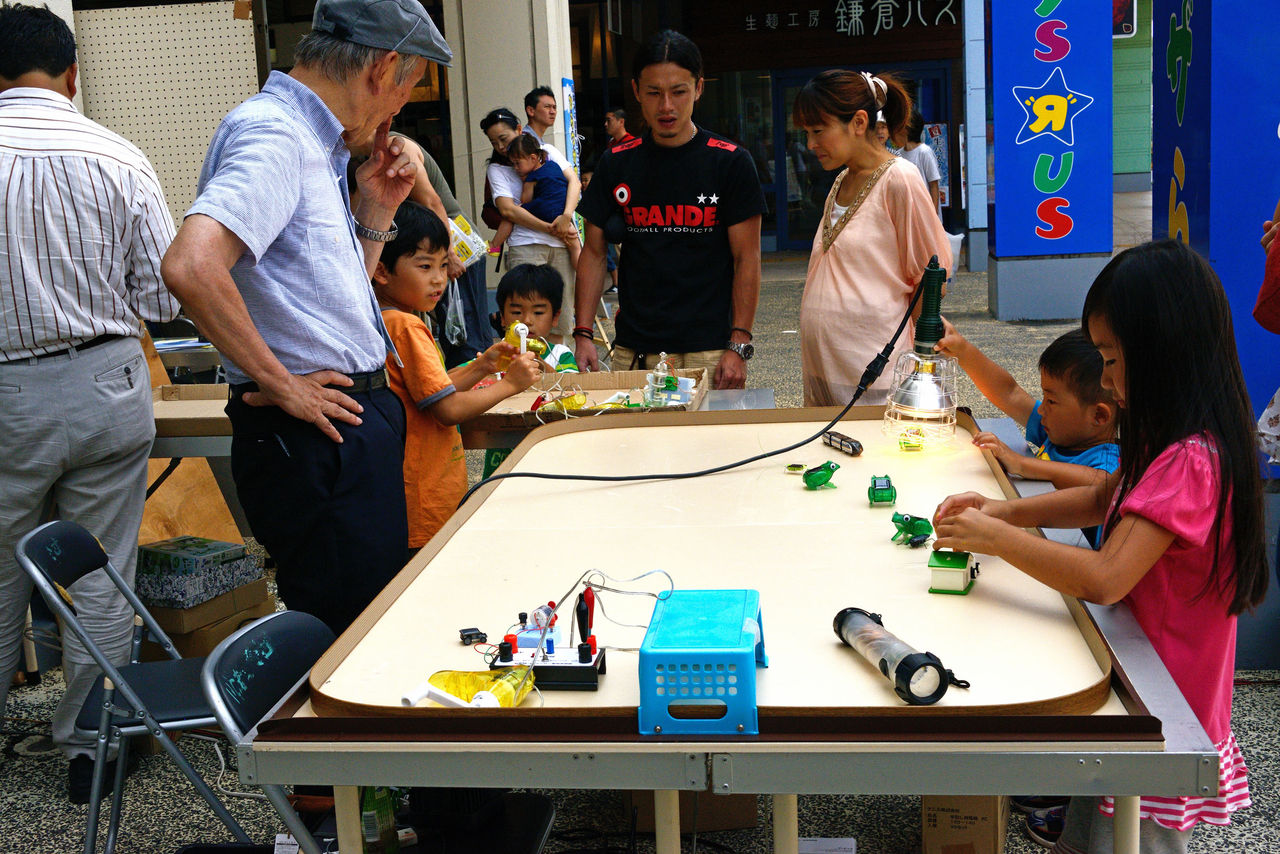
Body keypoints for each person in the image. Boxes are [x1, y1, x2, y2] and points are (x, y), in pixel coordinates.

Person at [934, 240, 1268, 853]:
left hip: (1164, 711)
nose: (1107, 380)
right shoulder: (1166, 438)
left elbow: (1106, 577)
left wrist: (999, 538)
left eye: (1112, 359)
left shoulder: (1191, 459)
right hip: (1133, 681)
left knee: (1130, 840)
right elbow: (1100, 499)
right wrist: (1002, 510)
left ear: (1164, 352)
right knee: (1091, 834)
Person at [161, 0, 452, 634]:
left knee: (366, 619)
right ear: (384, 68)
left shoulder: (311, 141)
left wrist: (376, 209)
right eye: (406, 88)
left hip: (340, 423)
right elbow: (191, 265)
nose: (399, 109)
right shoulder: (276, 134)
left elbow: (325, 293)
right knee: (347, 634)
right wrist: (281, 383)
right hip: (316, 434)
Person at [0, 3, 181, 803]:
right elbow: (163, 298)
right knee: (103, 571)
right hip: (108, 382)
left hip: (5, 392)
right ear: (72, 75)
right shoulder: (120, 155)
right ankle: (90, 747)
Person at [573, 29, 765, 389]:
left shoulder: (730, 162)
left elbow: (747, 258)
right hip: (634, 351)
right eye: (653, 93)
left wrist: (739, 343)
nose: (666, 106)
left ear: (699, 88)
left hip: (709, 352)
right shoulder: (616, 163)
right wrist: (583, 332)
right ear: (636, 91)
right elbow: (594, 253)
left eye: (678, 91)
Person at [374, 202, 540, 551]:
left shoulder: (391, 319)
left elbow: (430, 390)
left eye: (442, 265)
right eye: (425, 266)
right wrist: (510, 384)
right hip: (425, 496)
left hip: (414, 490)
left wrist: (481, 367)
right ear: (382, 270)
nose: (439, 278)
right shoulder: (406, 326)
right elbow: (447, 409)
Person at [792, 69, 952, 406]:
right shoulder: (841, 180)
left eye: (818, 131)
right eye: (807, 133)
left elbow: (930, 276)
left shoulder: (900, 179)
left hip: (875, 372)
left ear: (859, 122)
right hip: (825, 368)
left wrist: (924, 365)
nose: (810, 144)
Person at [936, 324, 1118, 547]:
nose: (1041, 410)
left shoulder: (1109, 461)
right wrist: (963, 350)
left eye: (1051, 401)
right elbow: (1010, 393)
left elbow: (1103, 483)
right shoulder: (1059, 431)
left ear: (1099, 415)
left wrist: (1021, 464)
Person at [480, 107, 580, 343]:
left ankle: (556, 364)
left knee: (560, 317)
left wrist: (566, 217)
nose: (500, 147)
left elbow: (574, 182)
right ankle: (524, 366)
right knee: (522, 322)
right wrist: (552, 228)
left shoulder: (546, 151)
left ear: (518, 129)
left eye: (503, 138)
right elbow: (508, 210)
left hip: (561, 244)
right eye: (494, 142)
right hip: (527, 245)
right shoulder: (496, 169)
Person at [481, 263, 579, 478]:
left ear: (555, 317)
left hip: (550, 450)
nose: (527, 321)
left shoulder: (560, 354)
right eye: (517, 312)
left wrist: (540, 361)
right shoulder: (495, 356)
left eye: (538, 312)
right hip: (502, 454)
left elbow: (571, 388)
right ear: (502, 317)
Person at [496, 134, 582, 268]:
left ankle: (494, 245)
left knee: (512, 214)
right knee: (575, 245)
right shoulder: (553, 165)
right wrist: (566, 215)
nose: (515, 168)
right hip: (562, 211)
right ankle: (581, 273)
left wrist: (525, 182)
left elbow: (526, 199)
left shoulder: (532, 177)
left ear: (533, 158)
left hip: (545, 210)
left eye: (517, 163)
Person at [897, 111, 942, 216]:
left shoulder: (924, 152)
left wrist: (933, 216)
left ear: (908, 128)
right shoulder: (898, 154)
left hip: (925, 213)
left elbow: (934, 186)